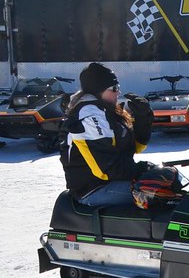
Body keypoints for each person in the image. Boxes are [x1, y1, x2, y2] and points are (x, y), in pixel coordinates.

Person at [60, 62, 153, 207]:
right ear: (98, 90)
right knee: (157, 195)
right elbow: (105, 170)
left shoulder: (107, 111)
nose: (118, 92)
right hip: (93, 189)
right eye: (114, 88)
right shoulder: (89, 116)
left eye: (118, 87)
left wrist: (143, 119)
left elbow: (133, 148)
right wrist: (140, 170)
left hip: (113, 181)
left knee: (167, 184)